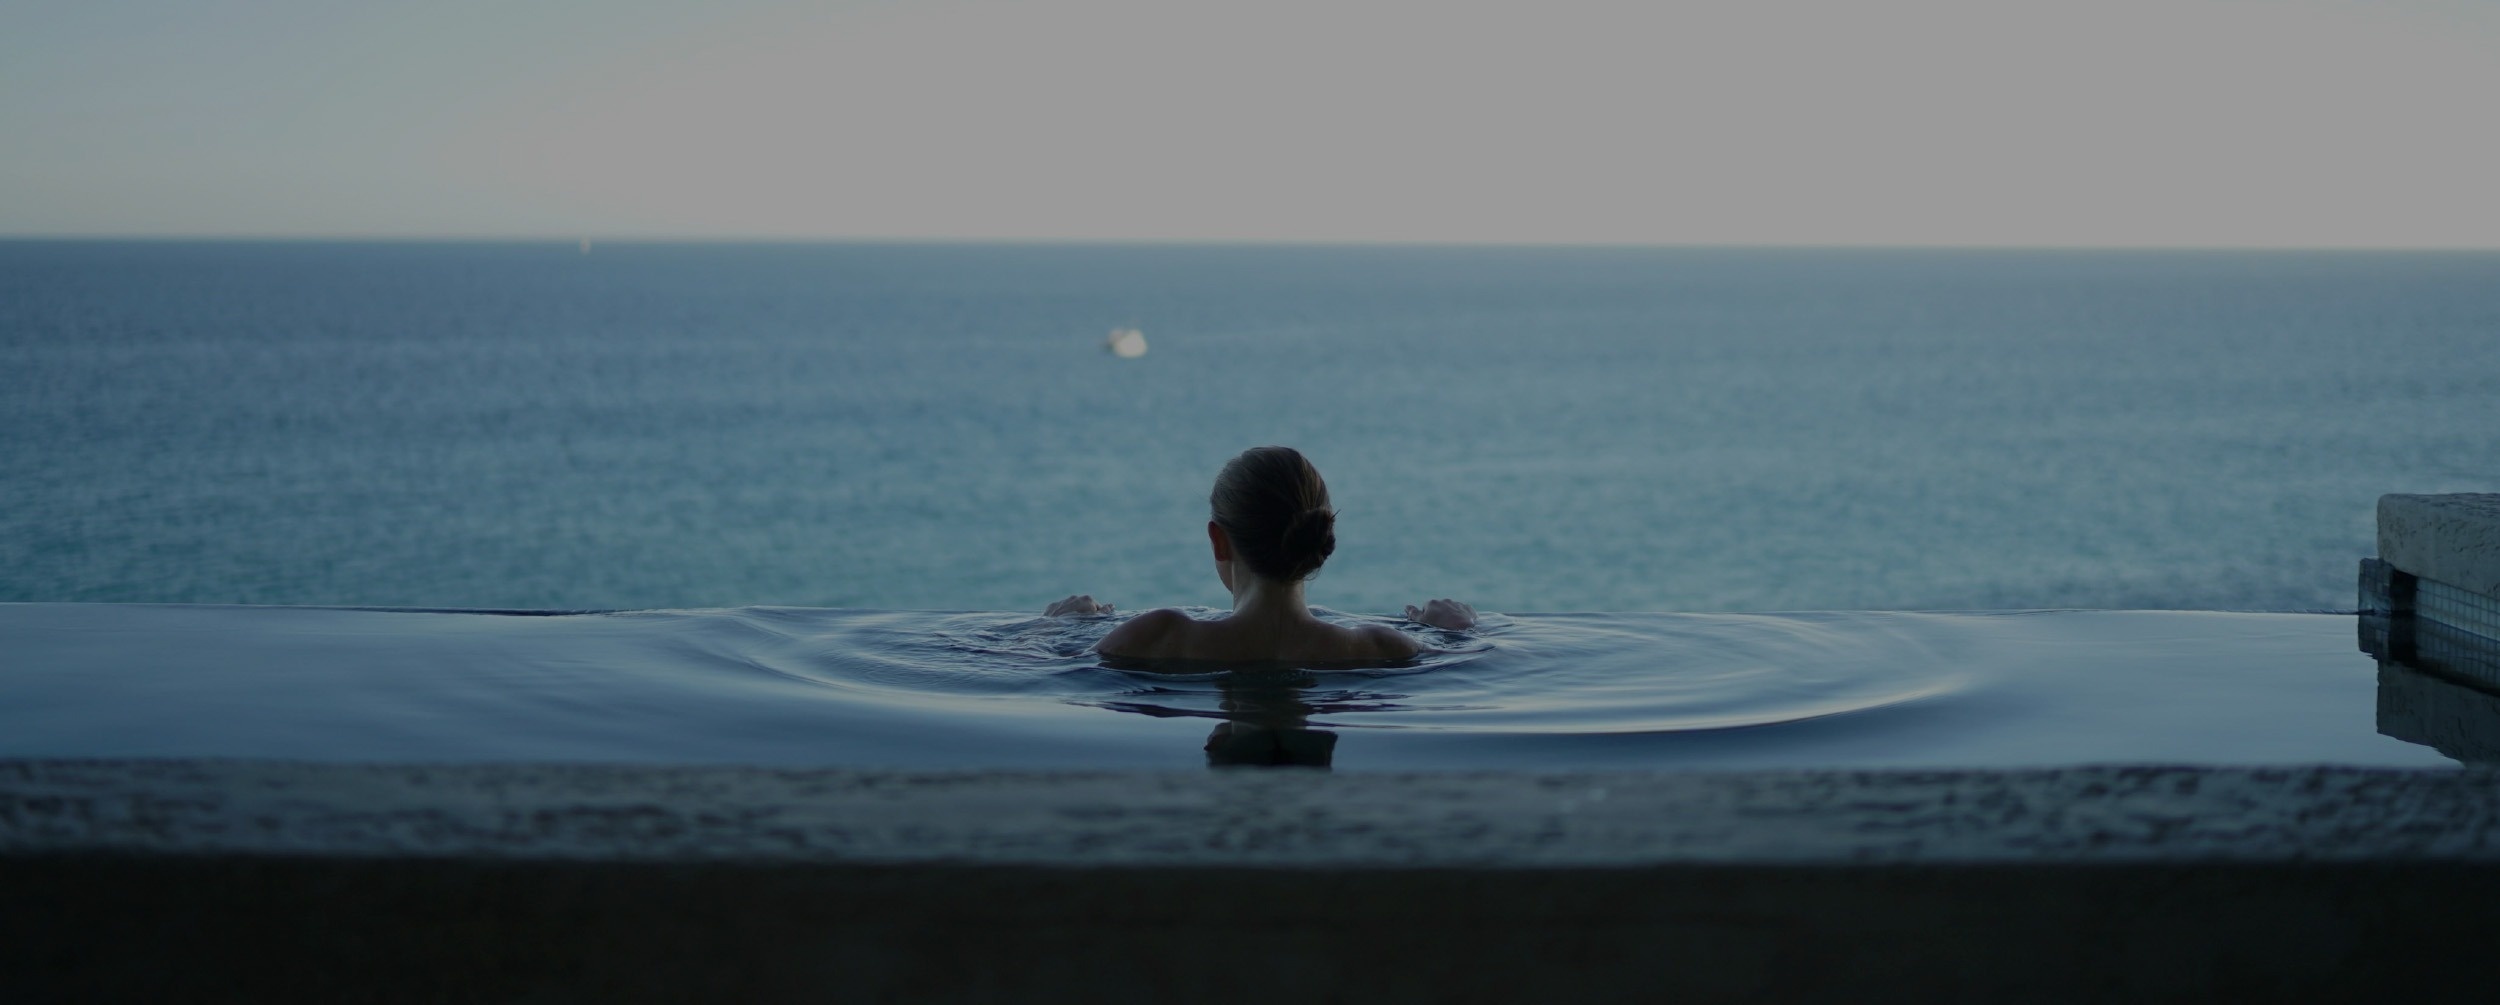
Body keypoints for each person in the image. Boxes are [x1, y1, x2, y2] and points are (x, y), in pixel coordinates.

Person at [1046, 446, 1476, 662]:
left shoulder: (1157, 637)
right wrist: (1456, 633)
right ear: (1320, 537)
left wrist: (1061, 628)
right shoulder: (1381, 649)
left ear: (1219, 540)